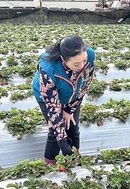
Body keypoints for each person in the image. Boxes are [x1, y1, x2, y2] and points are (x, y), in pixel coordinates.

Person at [32, 35, 95, 165]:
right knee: (55, 132)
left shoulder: (89, 55)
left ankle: (74, 159)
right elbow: (54, 109)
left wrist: (69, 109)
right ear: (63, 59)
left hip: (73, 94)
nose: (82, 66)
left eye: (84, 61)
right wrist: (63, 143)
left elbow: (85, 85)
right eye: (76, 64)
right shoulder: (48, 68)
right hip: (48, 97)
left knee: (73, 126)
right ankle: (50, 164)